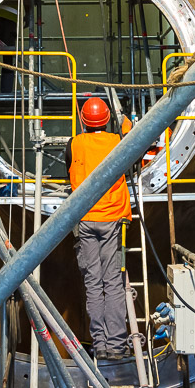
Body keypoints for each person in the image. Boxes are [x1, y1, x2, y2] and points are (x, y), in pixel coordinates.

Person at [66, 96, 132, 361]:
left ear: (83, 121)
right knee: (113, 282)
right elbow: (139, 135)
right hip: (113, 221)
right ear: (107, 119)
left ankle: (100, 344)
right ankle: (117, 345)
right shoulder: (118, 142)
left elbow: (67, 169)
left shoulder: (74, 143)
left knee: (93, 283)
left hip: (84, 220)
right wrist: (123, 116)